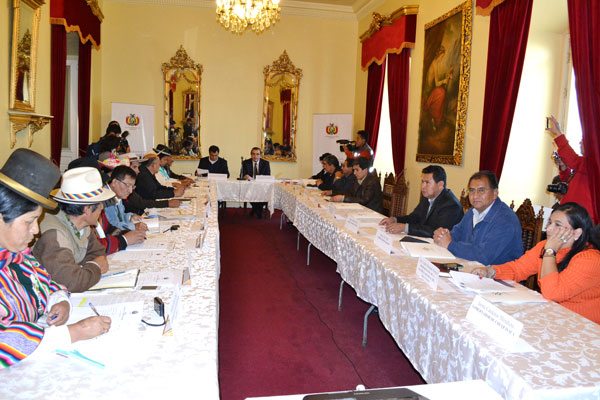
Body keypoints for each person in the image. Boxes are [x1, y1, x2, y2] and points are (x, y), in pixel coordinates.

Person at [0, 149, 111, 368]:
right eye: (29, 221)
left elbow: (49, 282)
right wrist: (75, 332)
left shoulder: (19, 256)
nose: (36, 230)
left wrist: (59, 301)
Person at [472, 203, 600, 324]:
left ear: (576, 233)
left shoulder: (589, 259)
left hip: (583, 324)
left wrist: (550, 251)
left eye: (557, 225)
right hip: (553, 315)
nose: (548, 229)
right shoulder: (546, 246)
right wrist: (491, 271)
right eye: (549, 222)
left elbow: (552, 293)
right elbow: (518, 269)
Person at [33, 167, 116, 293]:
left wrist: (83, 271)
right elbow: (71, 282)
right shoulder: (54, 235)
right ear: (87, 209)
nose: (102, 208)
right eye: (100, 204)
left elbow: (98, 252)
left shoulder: (83, 225)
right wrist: (95, 267)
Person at [433, 171, 523, 265]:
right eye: (472, 190)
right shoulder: (472, 212)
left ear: (495, 193)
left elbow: (484, 256)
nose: (475, 196)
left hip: (496, 272)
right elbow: (456, 233)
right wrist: (442, 235)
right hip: (470, 266)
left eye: (481, 190)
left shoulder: (506, 220)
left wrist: (450, 244)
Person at [380, 165, 463, 238]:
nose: (423, 186)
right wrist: (395, 219)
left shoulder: (451, 205)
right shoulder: (428, 196)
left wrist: (405, 228)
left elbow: (436, 231)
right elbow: (414, 217)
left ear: (440, 185)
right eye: (422, 182)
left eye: (427, 183)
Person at [547, 116, 596, 223]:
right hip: (571, 214)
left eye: (582, 140)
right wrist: (563, 167)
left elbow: (572, 159)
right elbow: (568, 181)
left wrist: (558, 133)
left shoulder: (594, 163)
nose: (580, 143)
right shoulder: (584, 162)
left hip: (581, 218)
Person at [100, 166, 147, 254]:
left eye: (132, 186)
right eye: (128, 185)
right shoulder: (106, 199)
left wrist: (130, 217)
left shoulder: (116, 194)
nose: (130, 191)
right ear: (115, 182)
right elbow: (113, 225)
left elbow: (120, 216)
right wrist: (134, 226)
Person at [242, 147, 271, 218]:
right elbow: (243, 174)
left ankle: (255, 209)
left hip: (262, 186)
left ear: (260, 155)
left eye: (257, 154)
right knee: (248, 192)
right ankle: (258, 210)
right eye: (253, 154)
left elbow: (268, 175)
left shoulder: (265, 163)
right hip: (250, 185)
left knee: (266, 193)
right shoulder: (245, 163)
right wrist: (246, 176)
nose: (255, 156)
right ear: (251, 155)